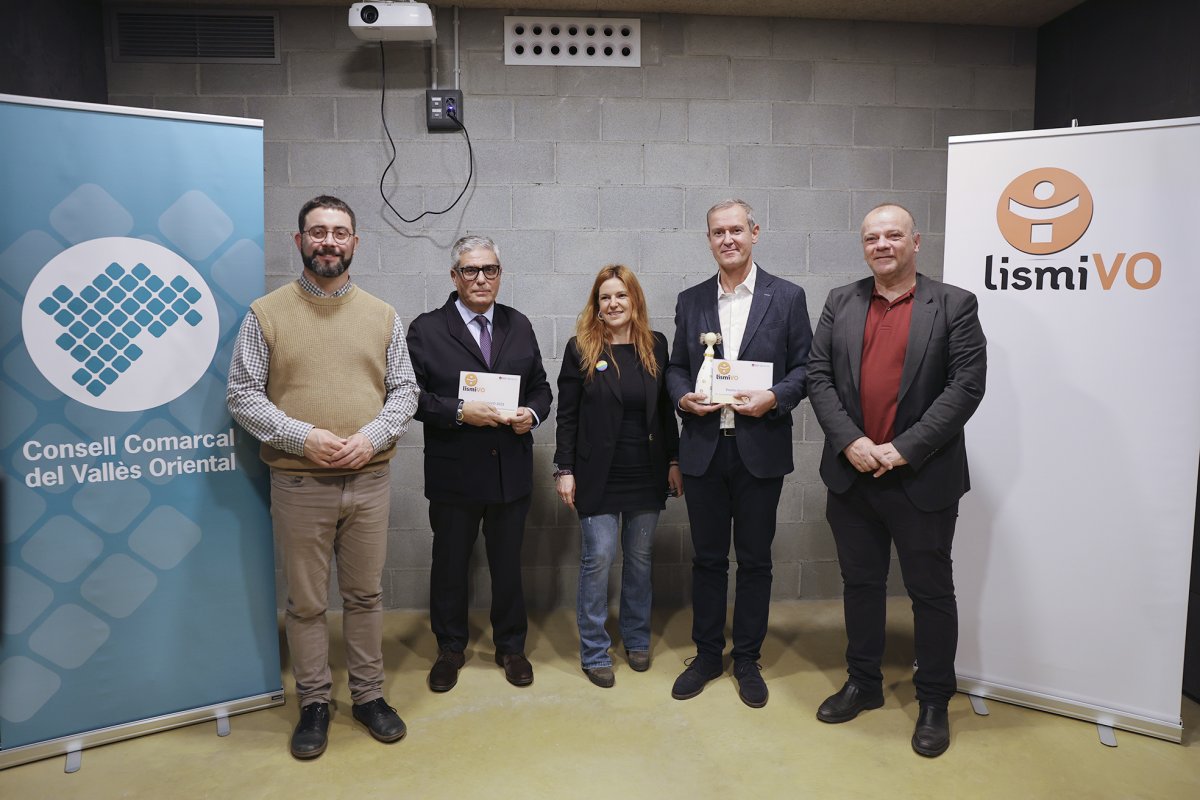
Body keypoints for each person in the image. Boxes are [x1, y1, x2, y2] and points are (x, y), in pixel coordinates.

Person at [227, 195, 419, 760]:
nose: (328, 242)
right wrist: (304, 437)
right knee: (307, 603)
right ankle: (313, 703)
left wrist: (372, 437)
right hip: (299, 484)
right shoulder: (266, 314)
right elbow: (243, 395)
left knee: (364, 595)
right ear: (300, 241)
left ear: (355, 242)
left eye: (340, 232)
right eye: (318, 232)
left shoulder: (383, 314)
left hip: (369, 479)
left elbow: (403, 391)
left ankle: (367, 697)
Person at [806, 203, 986, 758]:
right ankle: (864, 683)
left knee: (930, 594)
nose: (881, 244)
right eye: (871, 237)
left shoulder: (954, 304)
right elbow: (818, 375)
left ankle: (934, 699)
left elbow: (966, 386)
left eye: (893, 235)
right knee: (861, 586)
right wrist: (851, 442)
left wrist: (902, 449)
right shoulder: (842, 300)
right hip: (854, 476)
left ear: (915, 242)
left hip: (922, 478)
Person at [665, 199, 813, 708]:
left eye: (736, 230)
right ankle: (707, 654)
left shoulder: (787, 297)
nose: (727, 239)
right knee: (707, 559)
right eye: (717, 232)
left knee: (754, 560)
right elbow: (675, 368)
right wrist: (682, 396)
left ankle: (746, 657)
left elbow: (806, 369)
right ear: (708, 240)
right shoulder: (691, 300)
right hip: (705, 447)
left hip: (759, 447)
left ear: (754, 232)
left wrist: (774, 397)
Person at [406, 234, 553, 692]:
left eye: (490, 270)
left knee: (508, 565)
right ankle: (450, 648)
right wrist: (457, 411)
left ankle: (511, 647)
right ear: (454, 276)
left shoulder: (519, 324)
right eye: (470, 270)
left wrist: (532, 413)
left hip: (510, 470)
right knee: (450, 565)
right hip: (455, 472)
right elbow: (410, 397)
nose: (481, 279)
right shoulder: (427, 328)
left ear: (500, 274)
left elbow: (541, 388)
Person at [553, 265, 684, 688]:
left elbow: (666, 414)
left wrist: (674, 461)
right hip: (597, 474)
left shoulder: (655, 346)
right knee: (598, 560)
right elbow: (567, 417)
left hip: (646, 471)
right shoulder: (582, 349)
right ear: (596, 305)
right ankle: (594, 651)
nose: (613, 304)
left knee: (641, 561)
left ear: (635, 301)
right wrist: (565, 469)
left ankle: (636, 638)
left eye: (621, 296)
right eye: (605, 297)